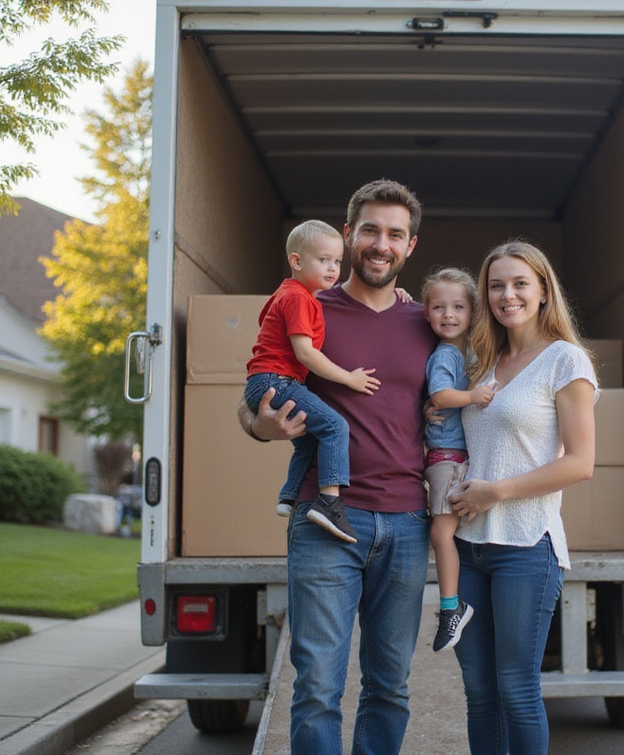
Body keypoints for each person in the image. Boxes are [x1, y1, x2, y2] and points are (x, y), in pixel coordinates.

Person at [239, 179, 435, 755]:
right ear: (349, 235)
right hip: (326, 522)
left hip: (406, 522)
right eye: (370, 230)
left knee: (389, 687)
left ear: (410, 246)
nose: (381, 244)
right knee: (319, 687)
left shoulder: (428, 323)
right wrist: (260, 426)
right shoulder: (306, 304)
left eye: (395, 234)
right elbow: (251, 396)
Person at [447, 239, 597, 755]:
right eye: (495, 285)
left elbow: (580, 462)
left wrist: (495, 492)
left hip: (527, 549)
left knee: (517, 689)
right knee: (479, 692)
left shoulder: (564, 360)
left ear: (542, 292)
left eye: (519, 284)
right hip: (467, 549)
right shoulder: (480, 361)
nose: (506, 295)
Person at [244, 219, 380, 543]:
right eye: (324, 260)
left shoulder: (289, 293)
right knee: (335, 427)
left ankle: (289, 496)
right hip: (277, 381)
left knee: (308, 440)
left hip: (265, 381)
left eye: (337, 261)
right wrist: (349, 378)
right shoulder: (299, 298)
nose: (333, 269)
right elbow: (305, 353)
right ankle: (330, 503)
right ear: (296, 261)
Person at [419, 267, 494, 652]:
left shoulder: (452, 353)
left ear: (472, 312)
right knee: (447, 534)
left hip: (449, 459)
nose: (448, 315)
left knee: (440, 533)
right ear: (426, 312)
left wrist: (469, 398)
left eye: (458, 307)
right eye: (438, 307)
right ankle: (454, 602)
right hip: (450, 456)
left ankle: (451, 607)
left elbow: (445, 395)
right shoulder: (451, 353)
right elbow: (440, 396)